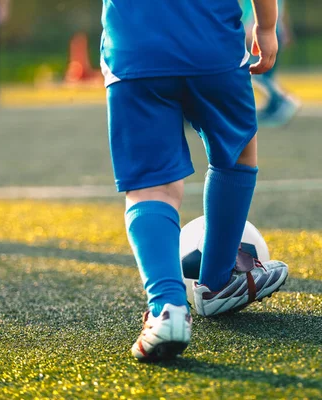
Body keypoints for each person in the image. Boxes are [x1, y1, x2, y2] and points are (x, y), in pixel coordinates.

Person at [101, 0, 289, 362]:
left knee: (151, 186)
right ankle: (216, 282)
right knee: (236, 153)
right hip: (212, 42)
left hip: (135, 48)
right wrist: (266, 27)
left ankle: (167, 308)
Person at [241, 0, 300, 127]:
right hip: (274, 31)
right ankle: (272, 107)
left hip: (258, 32)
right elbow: (282, 11)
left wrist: (249, 29)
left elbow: (256, 7)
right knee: (266, 74)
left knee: (252, 72)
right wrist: (286, 31)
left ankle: (283, 99)